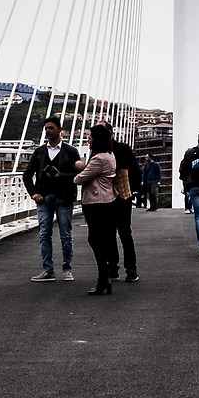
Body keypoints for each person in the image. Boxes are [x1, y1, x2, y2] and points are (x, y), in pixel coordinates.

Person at [22, 118, 81, 282]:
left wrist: (60, 176)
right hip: (43, 198)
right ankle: (48, 270)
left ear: (60, 129)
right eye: (46, 128)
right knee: (44, 234)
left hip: (64, 198)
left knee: (65, 235)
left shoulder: (71, 151)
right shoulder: (39, 152)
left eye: (51, 128)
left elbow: (78, 175)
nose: (48, 131)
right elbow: (26, 175)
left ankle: (67, 269)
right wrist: (33, 193)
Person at [75, 124, 121, 295]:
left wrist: (81, 169)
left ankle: (103, 278)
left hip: (96, 203)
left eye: (90, 137)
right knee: (104, 239)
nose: (88, 140)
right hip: (108, 201)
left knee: (95, 240)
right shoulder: (110, 155)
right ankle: (105, 278)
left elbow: (79, 179)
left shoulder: (98, 159)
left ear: (97, 139)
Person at [108, 126, 142, 282]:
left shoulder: (122, 149)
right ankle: (113, 268)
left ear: (110, 133)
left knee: (124, 233)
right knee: (109, 234)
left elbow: (135, 170)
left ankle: (130, 269)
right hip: (106, 198)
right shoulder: (98, 150)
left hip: (122, 196)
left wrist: (130, 192)